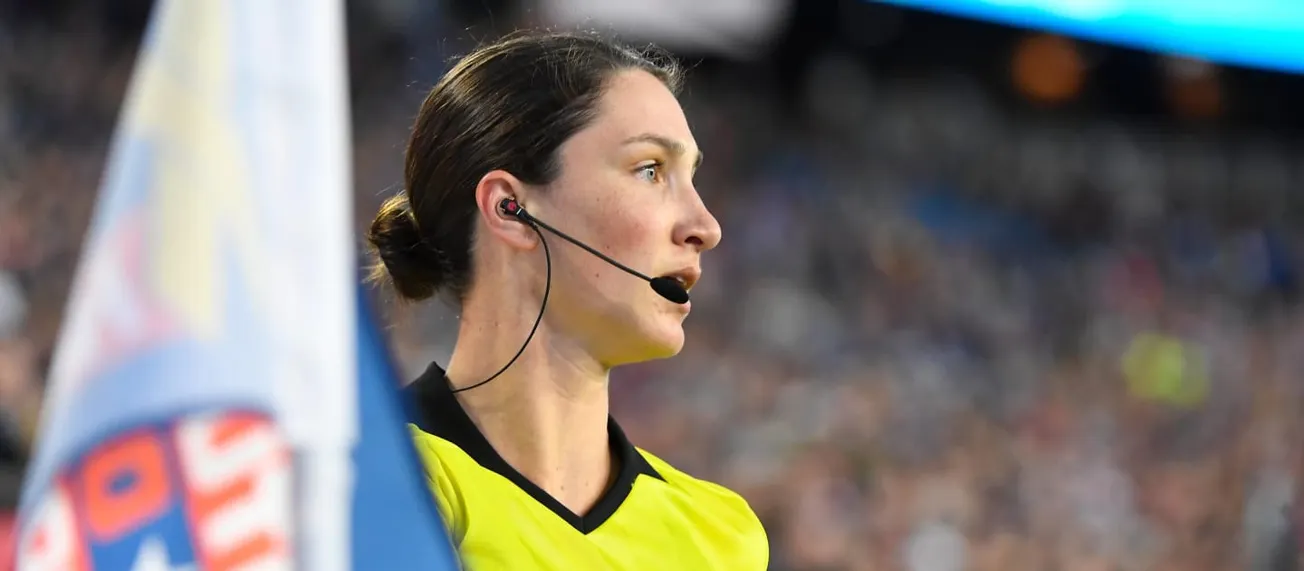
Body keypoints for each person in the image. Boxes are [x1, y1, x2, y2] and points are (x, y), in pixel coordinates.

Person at [367, 31, 769, 569]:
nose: (706, 226)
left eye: (691, 177)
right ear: (510, 209)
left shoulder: (723, 535)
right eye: (650, 170)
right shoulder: (376, 481)